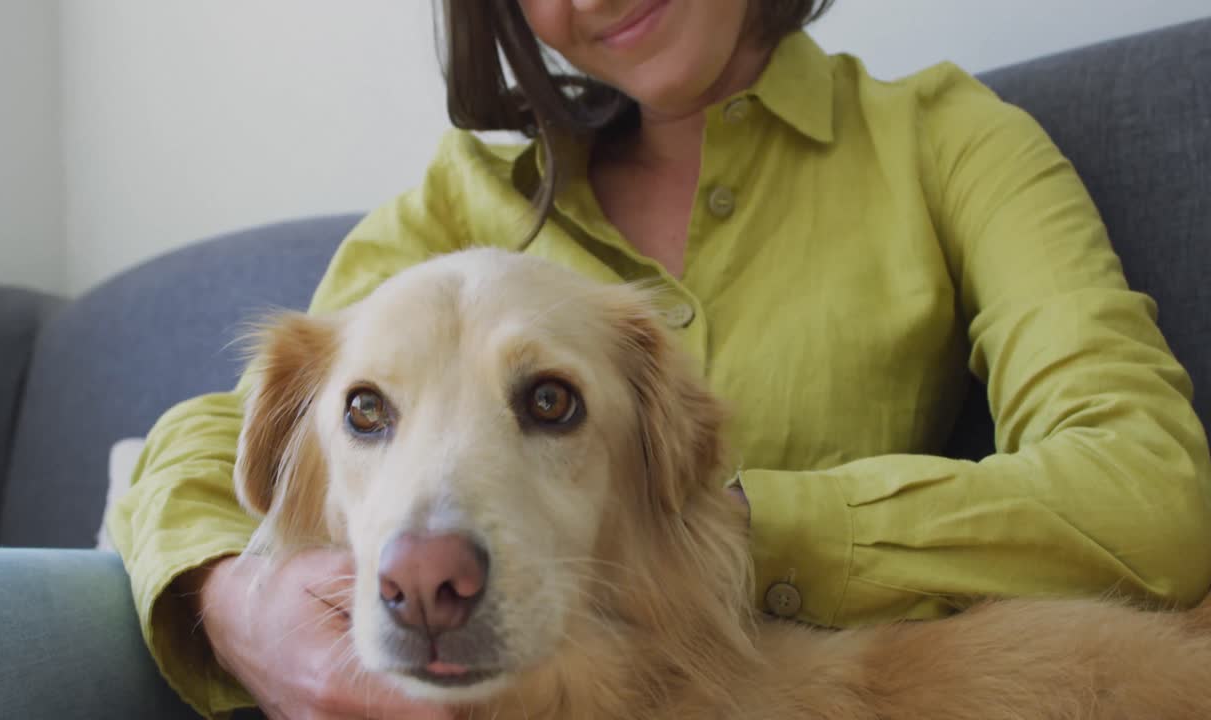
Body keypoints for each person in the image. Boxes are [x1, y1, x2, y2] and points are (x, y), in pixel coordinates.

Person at [108, 1, 1211, 718]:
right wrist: (234, 600)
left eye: (548, 399)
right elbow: (214, 439)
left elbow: (1149, 489)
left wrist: (720, 526)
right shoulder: (455, 204)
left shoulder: (947, 140)